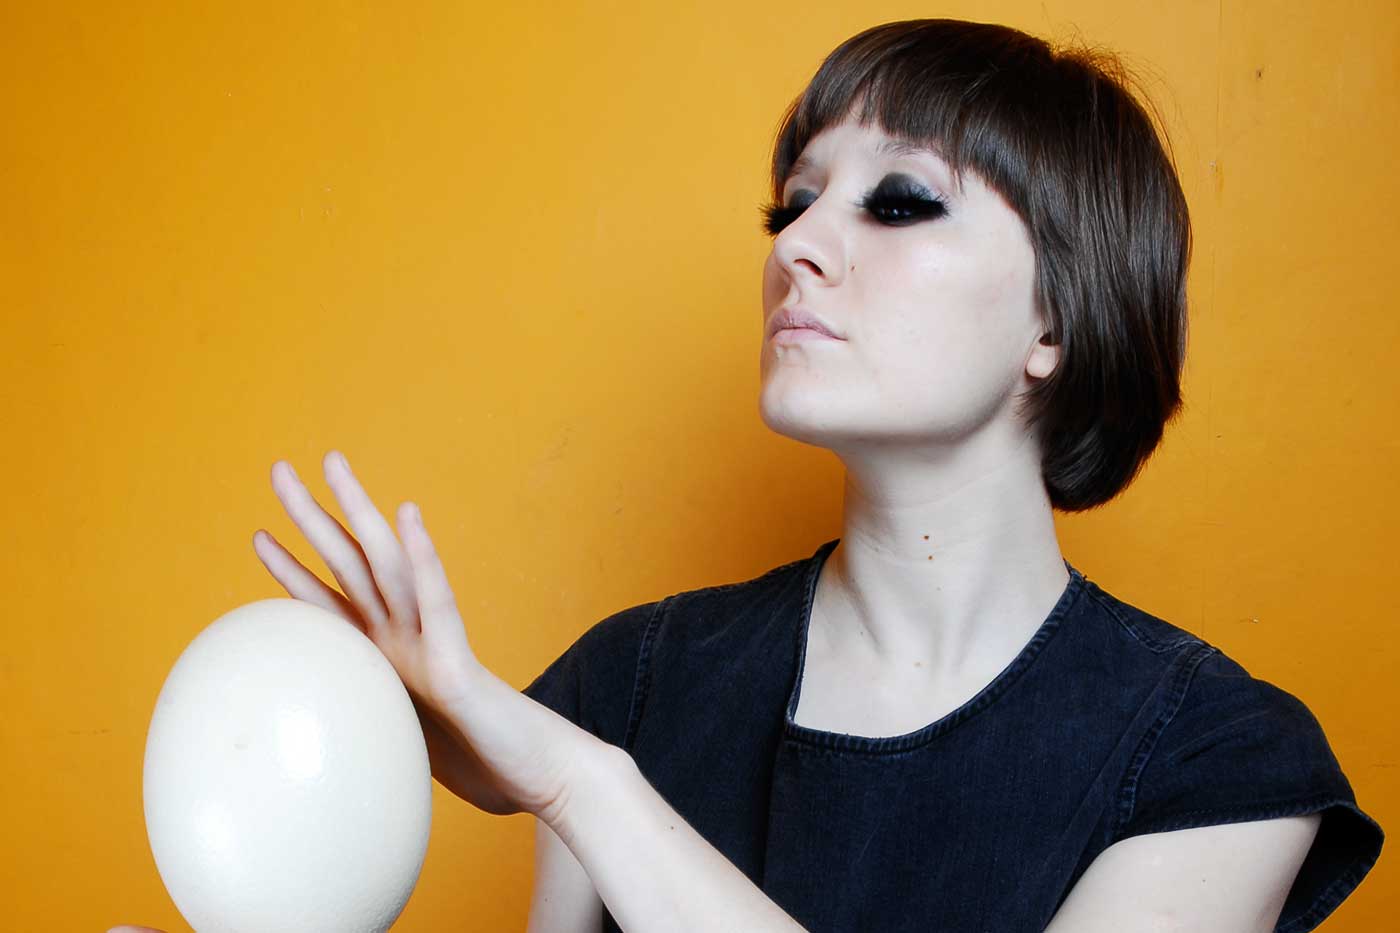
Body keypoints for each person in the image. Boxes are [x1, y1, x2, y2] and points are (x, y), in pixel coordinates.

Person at [111, 17, 1383, 933]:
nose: (798, 246)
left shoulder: (1220, 760)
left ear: (1054, 319)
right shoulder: (635, 681)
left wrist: (583, 783)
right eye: (792, 204)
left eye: (897, 202)